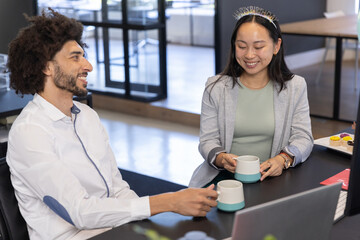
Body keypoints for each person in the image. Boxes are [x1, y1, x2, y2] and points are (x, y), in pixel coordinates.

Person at [6, 8, 217, 240]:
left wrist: (149, 225)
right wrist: (167, 202)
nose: (88, 65)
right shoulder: (30, 133)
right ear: (46, 67)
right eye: (75, 57)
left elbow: (117, 190)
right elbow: (79, 212)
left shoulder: (87, 116)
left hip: (114, 230)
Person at [189, 6, 314, 188]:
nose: (249, 55)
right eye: (241, 46)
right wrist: (221, 158)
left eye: (258, 46)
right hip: (224, 180)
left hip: (273, 179)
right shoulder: (215, 88)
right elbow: (207, 141)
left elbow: (303, 137)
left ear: (276, 46)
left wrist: (283, 159)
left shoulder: (295, 86)